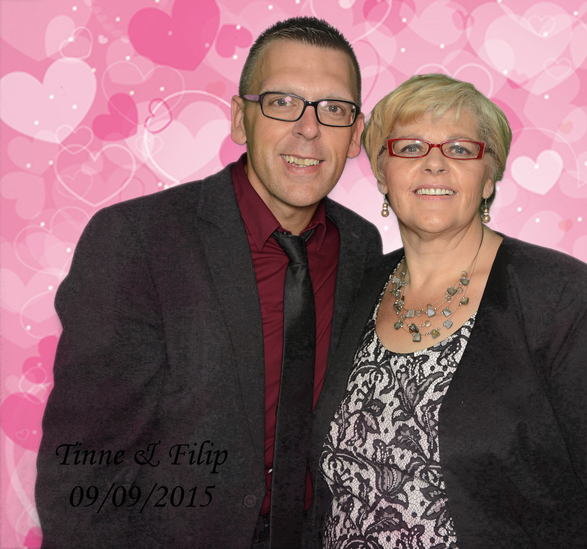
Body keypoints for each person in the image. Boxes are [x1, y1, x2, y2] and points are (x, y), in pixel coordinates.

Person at [35, 17, 382, 549]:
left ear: (355, 134)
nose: (309, 128)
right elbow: (83, 468)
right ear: (241, 119)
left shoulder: (360, 246)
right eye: (282, 102)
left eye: (333, 109)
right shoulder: (138, 241)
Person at [304, 74, 587, 548]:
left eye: (460, 149)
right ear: (383, 174)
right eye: (410, 148)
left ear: (489, 178)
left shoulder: (562, 297)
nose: (434, 164)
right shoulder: (352, 290)